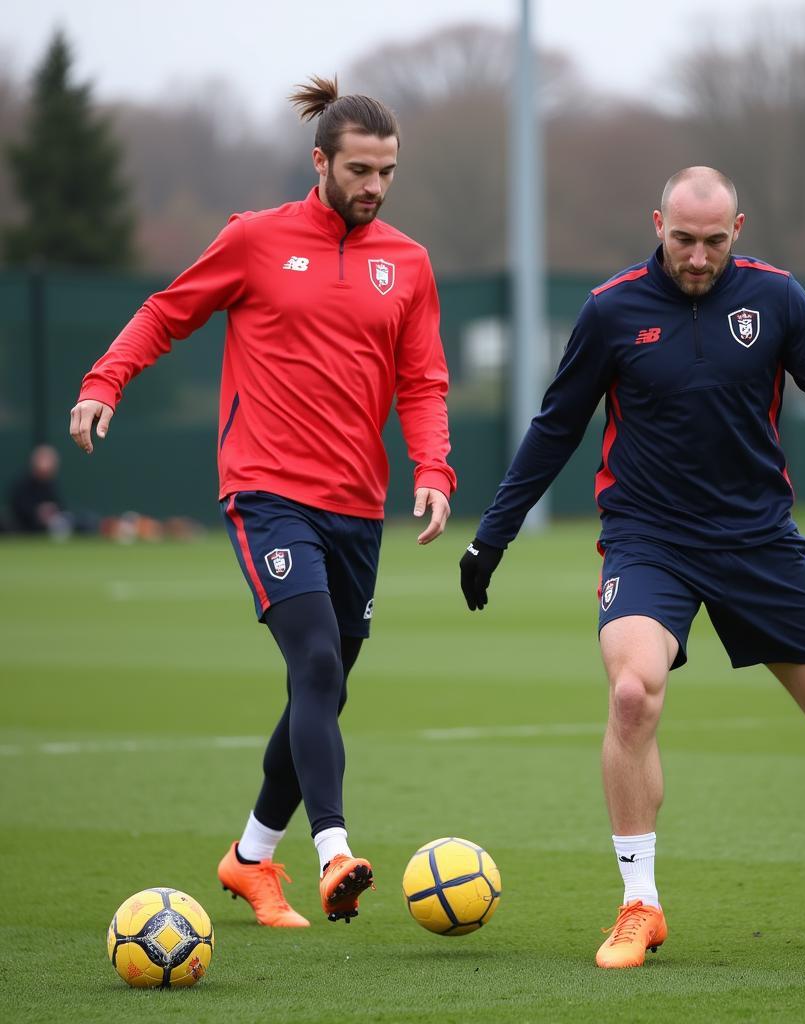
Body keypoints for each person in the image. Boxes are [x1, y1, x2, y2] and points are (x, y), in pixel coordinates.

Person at [459, 166, 805, 969]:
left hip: (758, 539)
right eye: (683, 239)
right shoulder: (611, 309)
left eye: (714, 241)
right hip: (648, 538)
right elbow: (555, 427)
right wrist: (494, 536)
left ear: (739, 229)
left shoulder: (779, 299)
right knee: (631, 693)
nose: (697, 257)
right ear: (657, 223)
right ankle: (639, 904)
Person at [71, 76, 456, 928]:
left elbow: (423, 381)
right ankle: (333, 851)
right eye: (359, 169)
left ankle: (249, 859)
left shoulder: (411, 262)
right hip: (267, 490)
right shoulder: (255, 240)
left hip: (358, 506)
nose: (374, 187)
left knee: (326, 684)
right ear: (319, 161)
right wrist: (106, 380)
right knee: (315, 661)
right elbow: (167, 313)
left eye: (387, 172)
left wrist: (434, 469)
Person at [7, 443, 72, 537]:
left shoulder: (51, 484)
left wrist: (52, 511)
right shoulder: (22, 483)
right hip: (24, 528)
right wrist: (37, 512)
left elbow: (60, 505)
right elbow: (17, 507)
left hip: (48, 528)